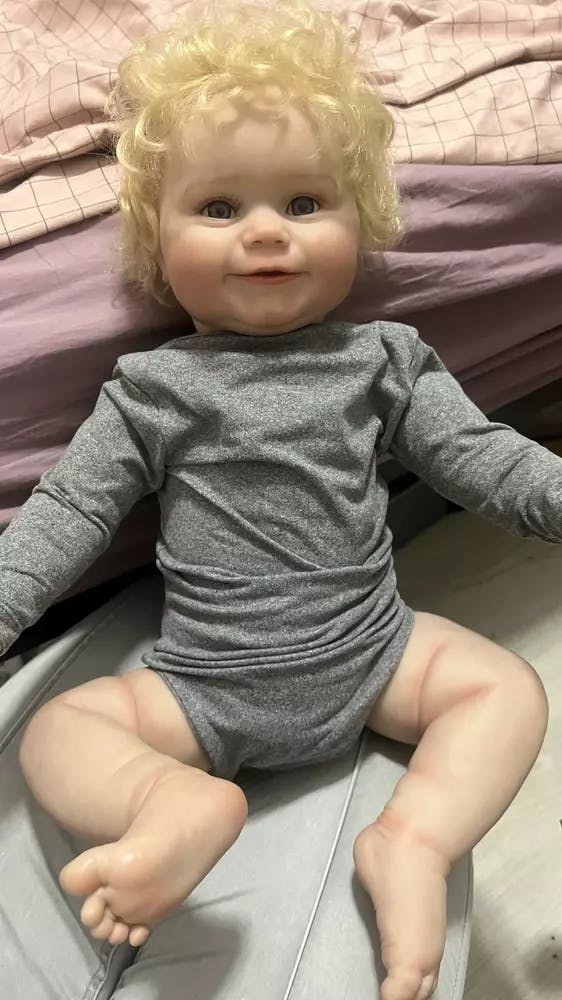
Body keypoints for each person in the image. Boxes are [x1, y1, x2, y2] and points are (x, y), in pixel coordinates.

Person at [2, 2, 554, 997]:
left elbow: (482, 459)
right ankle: (168, 802)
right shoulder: (152, 389)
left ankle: (412, 841)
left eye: (304, 203)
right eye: (219, 209)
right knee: (57, 731)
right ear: (155, 242)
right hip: (202, 687)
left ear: (361, 221)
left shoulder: (384, 359)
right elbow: (68, 515)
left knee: (506, 691)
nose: (265, 232)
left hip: (377, 655)